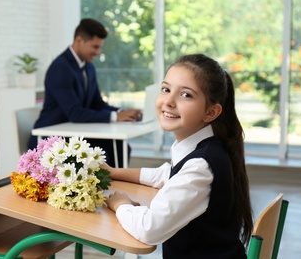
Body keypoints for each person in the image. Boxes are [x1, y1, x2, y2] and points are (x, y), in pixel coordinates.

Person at [104, 54, 253, 258]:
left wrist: (120, 204)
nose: (169, 101)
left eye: (186, 95)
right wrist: (114, 172)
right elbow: (165, 175)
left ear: (211, 112)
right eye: (166, 89)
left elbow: (149, 229)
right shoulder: (205, 147)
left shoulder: (201, 165)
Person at [28, 18, 142, 167]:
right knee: (106, 153)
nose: (98, 52)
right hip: (52, 138)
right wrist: (115, 116)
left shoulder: (88, 67)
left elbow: (97, 103)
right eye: (95, 47)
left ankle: (114, 189)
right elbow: (75, 113)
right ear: (79, 40)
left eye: (100, 47)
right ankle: (105, 189)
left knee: (120, 147)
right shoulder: (60, 67)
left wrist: (123, 113)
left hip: (74, 133)